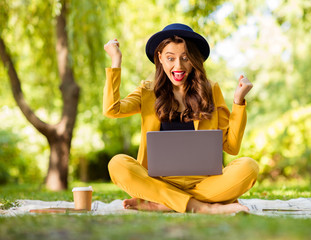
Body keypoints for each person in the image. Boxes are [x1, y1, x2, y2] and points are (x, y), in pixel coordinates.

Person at [103, 23, 259, 214]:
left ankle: (164, 203)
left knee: (249, 167)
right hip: (157, 181)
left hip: (204, 183)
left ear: (194, 60)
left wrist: (238, 101)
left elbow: (232, 146)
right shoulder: (147, 92)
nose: (178, 66)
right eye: (170, 58)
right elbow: (112, 109)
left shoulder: (211, 90)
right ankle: (201, 207)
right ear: (159, 58)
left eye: (185, 58)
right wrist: (116, 61)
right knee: (117, 164)